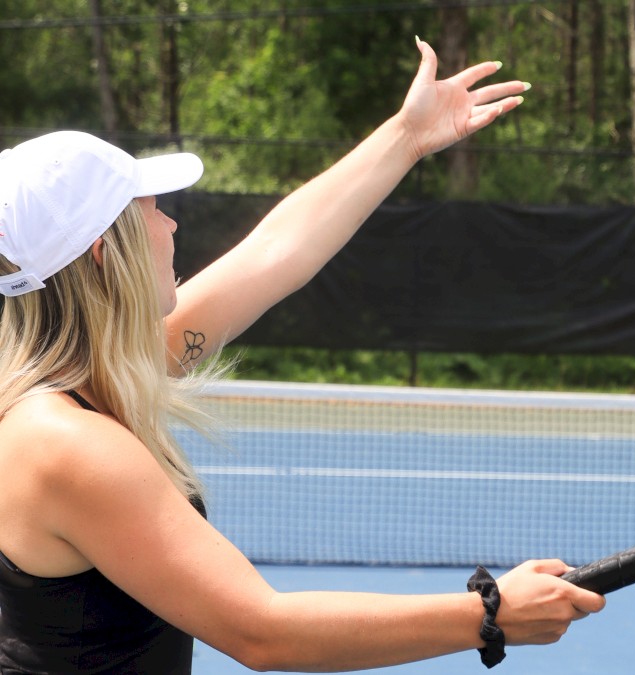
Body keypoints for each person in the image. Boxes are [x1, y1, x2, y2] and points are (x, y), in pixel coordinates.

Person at [0, 38, 603, 674]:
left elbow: (276, 252)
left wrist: (407, 136)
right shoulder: (68, 445)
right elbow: (265, 633)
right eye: (152, 208)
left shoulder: (89, 380)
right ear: (105, 252)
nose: (172, 225)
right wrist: (489, 613)